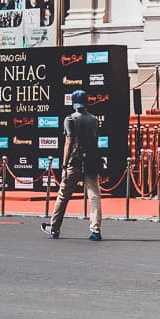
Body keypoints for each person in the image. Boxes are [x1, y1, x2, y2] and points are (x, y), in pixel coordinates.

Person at [43, 91, 105, 240]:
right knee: (94, 196)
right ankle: (95, 230)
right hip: (91, 161)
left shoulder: (70, 119)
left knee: (63, 195)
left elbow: (69, 142)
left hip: (75, 161)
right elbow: (95, 142)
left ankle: (54, 228)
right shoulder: (94, 120)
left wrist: (64, 166)